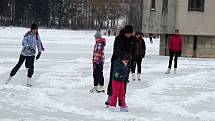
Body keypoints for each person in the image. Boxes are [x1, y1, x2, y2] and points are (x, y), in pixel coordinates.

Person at [105, 25, 136, 106]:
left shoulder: (133, 39)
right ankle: (110, 96)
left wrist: (132, 62)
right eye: (127, 33)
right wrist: (122, 59)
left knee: (124, 81)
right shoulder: (119, 38)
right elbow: (116, 50)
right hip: (117, 62)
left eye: (129, 33)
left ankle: (121, 99)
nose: (128, 35)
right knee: (114, 79)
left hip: (127, 63)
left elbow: (134, 52)